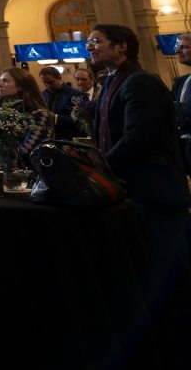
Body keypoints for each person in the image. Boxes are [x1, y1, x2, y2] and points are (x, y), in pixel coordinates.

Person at [89, 23, 190, 360]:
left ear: (122, 47)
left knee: (170, 275)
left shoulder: (141, 82)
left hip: (155, 193)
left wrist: (97, 168)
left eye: (97, 42)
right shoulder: (111, 83)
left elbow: (137, 140)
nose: (90, 47)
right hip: (131, 192)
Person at [0, 67, 54, 165]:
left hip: (30, 172)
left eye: (5, 81)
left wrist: (1, 156)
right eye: (0, 81)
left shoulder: (38, 114)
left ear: (21, 86)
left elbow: (29, 150)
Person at [174, 33, 191, 176]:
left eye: (184, 47)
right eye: (177, 47)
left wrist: (173, 106)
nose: (177, 51)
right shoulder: (181, 81)